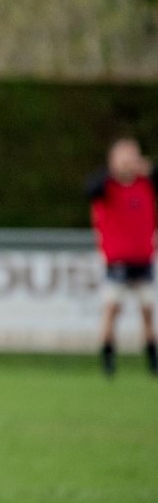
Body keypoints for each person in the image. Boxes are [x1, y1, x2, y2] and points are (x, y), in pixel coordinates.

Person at [86, 136, 156, 376]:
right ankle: (108, 359)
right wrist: (113, 170)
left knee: (147, 311)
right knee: (112, 310)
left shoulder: (145, 184)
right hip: (117, 260)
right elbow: (90, 188)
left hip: (144, 259)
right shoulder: (107, 187)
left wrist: (148, 169)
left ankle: (152, 358)